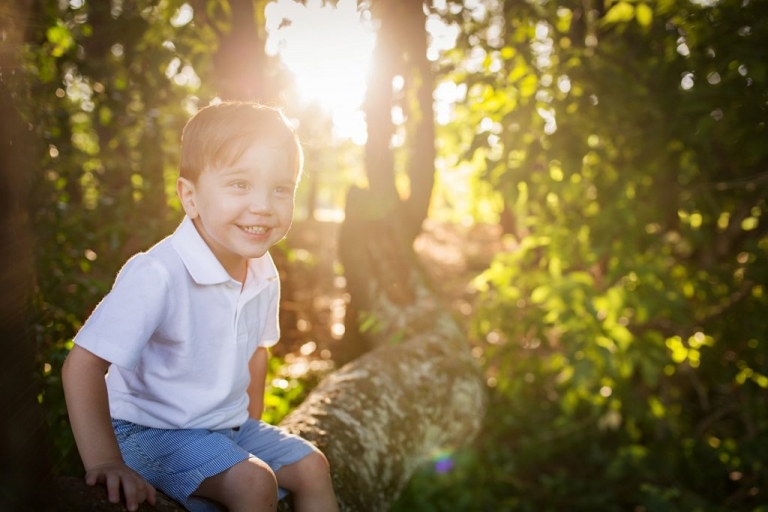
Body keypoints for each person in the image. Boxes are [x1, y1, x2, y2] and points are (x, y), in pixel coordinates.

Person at [62, 102, 339, 512]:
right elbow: (82, 365)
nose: (263, 205)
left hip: (224, 428)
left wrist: (247, 429)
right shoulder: (158, 273)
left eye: (281, 188)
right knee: (253, 483)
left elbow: (256, 354)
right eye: (240, 184)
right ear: (189, 197)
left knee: (313, 467)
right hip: (149, 432)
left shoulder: (262, 269)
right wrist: (106, 461)